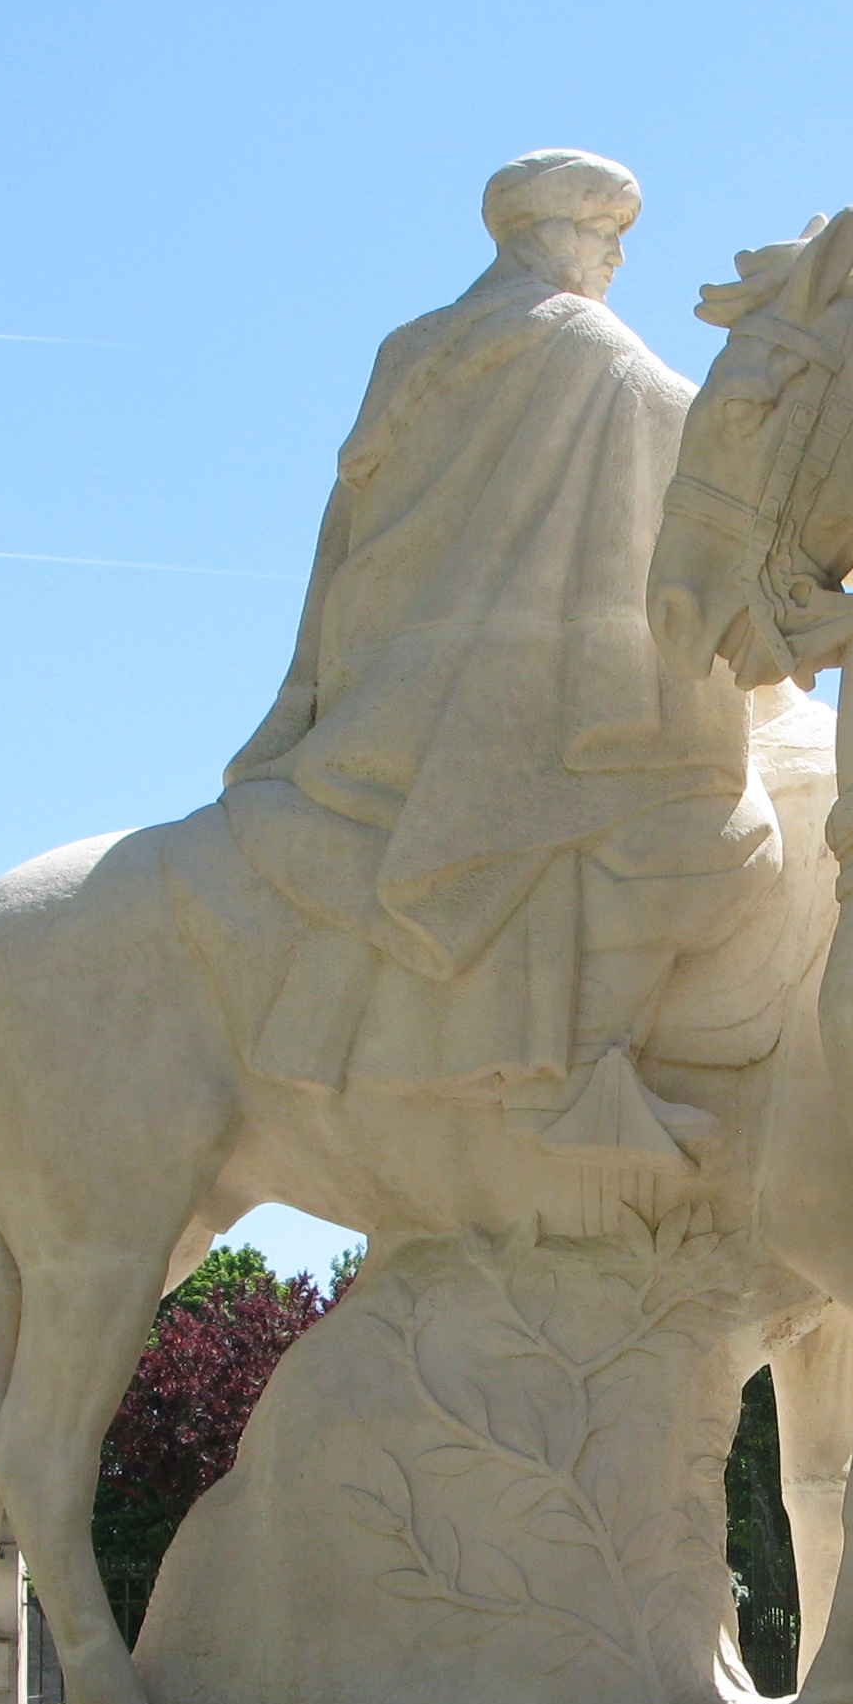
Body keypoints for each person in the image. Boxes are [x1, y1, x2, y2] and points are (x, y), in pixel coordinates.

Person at [226, 148, 775, 1168]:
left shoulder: (410, 348)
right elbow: (712, 444)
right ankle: (572, 1077)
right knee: (729, 839)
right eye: (604, 236)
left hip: (378, 686)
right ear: (549, 235)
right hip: (493, 694)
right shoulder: (580, 341)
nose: (614, 258)